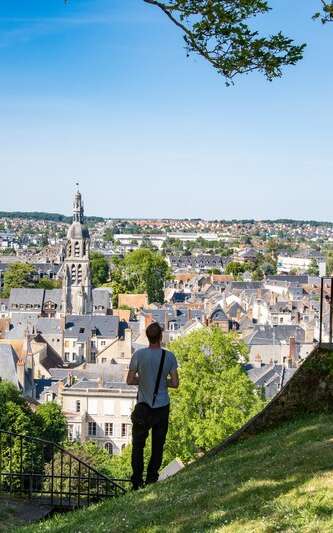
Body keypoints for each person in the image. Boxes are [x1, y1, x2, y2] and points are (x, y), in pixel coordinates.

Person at [126, 322, 179, 490]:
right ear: (161, 337)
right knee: (157, 445)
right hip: (162, 406)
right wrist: (163, 381)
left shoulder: (138, 355)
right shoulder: (169, 357)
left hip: (143, 406)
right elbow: (176, 383)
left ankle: (136, 481)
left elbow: (129, 380)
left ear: (147, 337)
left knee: (138, 446)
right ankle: (151, 478)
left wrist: (144, 380)